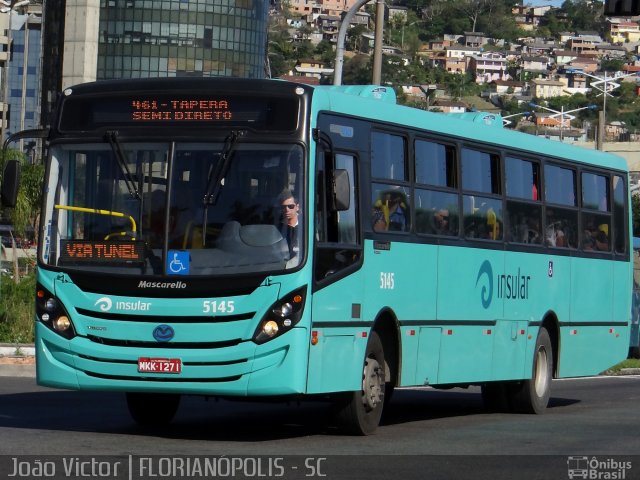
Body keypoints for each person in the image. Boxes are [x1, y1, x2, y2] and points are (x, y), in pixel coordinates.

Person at [278, 190, 300, 261]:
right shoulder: (277, 228)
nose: (287, 209)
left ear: (297, 207)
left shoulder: (306, 226)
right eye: (284, 207)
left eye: (290, 206)